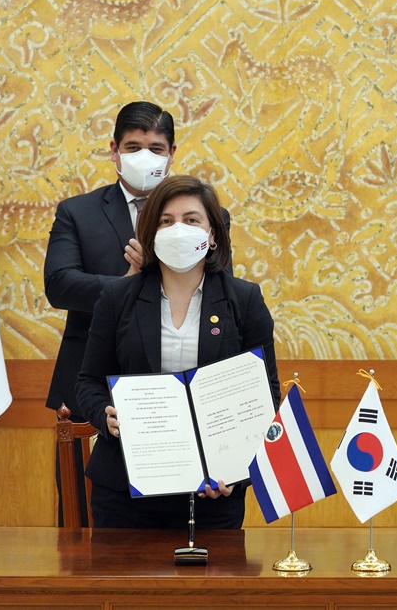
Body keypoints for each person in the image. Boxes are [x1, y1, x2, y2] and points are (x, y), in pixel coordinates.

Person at [44, 101, 229, 525]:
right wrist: (133, 283)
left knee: (174, 514)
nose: (145, 156)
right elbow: (60, 284)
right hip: (90, 383)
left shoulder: (208, 216)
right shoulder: (78, 211)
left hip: (181, 383)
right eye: (134, 145)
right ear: (114, 149)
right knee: (79, 515)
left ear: (172, 153)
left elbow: (218, 288)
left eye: (156, 147)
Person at [76, 175, 280, 529]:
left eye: (191, 220)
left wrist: (232, 469)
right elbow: (88, 382)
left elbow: (266, 393)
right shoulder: (117, 298)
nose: (178, 230)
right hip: (125, 490)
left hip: (214, 493)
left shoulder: (245, 300)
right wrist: (104, 417)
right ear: (151, 234)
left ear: (212, 234)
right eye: (166, 221)